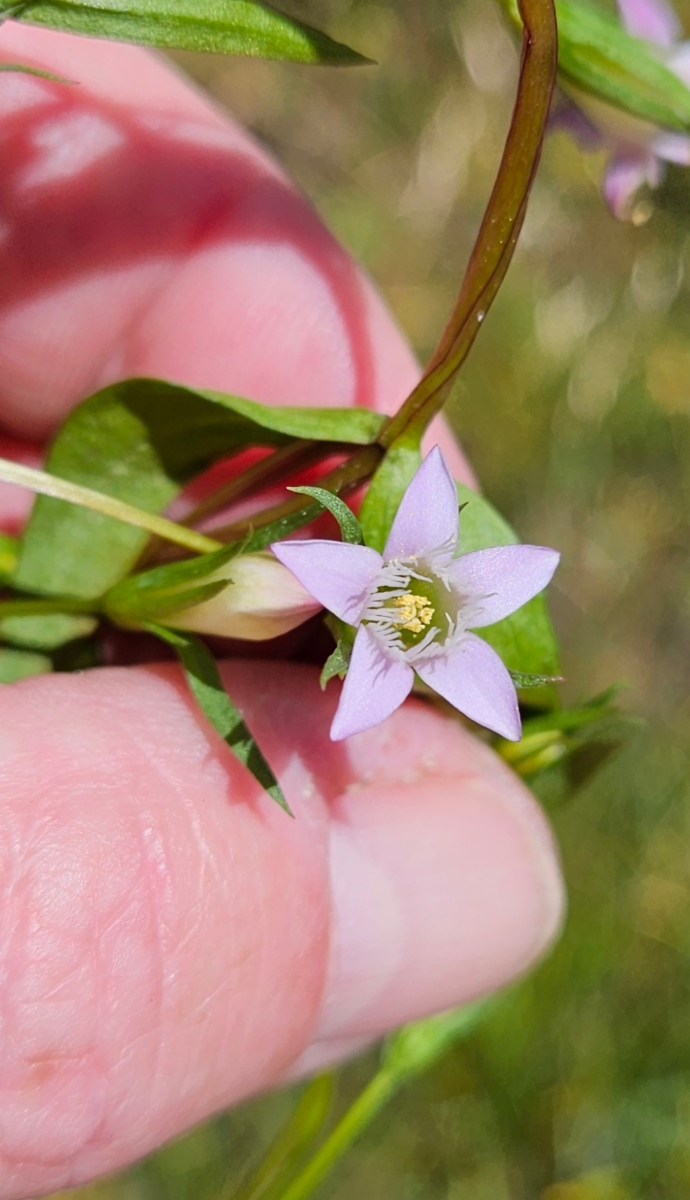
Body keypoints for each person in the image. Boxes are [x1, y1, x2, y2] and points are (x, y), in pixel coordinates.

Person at [0, 25, 563, 1198]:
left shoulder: (409, 612)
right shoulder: (382, 592)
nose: (414, 614)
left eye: (418, 615)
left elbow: (427, 609)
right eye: (408, 609)